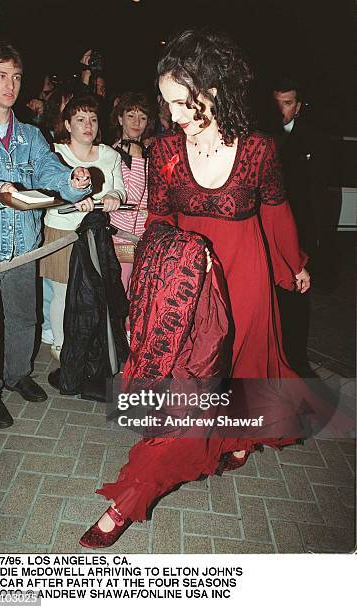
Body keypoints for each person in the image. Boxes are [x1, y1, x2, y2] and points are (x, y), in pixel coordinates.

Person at [79, 28, 310, 549]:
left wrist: (293, 265)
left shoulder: (258, 149)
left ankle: (238, 439)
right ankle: (129, 499)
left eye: (184, 102)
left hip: (246, 279)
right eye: (167, 102)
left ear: (216, 89)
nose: (174, 114)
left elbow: (275, 212)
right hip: (192, 287)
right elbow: (158, 220)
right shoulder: (163, 149)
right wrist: (165, 270)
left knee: (244, 372)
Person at [0, 42, 91, 429]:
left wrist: (74, 182)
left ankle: (16, 375)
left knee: (25, 318)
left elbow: (50, 171)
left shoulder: (31, 135)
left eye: (16, 77)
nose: (10, 85)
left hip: (25, 246)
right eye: (0, 75)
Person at [39, 94, 126, 362]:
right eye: (80, 119)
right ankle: (61, 345)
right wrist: (73, 199)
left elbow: (118, 188)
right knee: (63, 293)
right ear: (67, 124)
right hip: (62, 231)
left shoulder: (110, 154)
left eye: (93, 119)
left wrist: (114, 198)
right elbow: (47, 190)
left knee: (92, 291)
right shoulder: (55, 152)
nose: (88, 125)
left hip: (94, 234)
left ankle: (89, 343)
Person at [269, 76, 330, 376]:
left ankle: (296, 360)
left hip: (300, 231)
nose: (282, 109)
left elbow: (319, 192)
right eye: (277, 102)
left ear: (299, 106)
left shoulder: (313, 139)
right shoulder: (262, 136)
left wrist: (317, 238)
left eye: (288, 103)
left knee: (296, 297)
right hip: (269, 229)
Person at [109, 92, 155, 293]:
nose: (137, 122)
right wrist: (137, 158)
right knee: (121, 297)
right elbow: (133, 196)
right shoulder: (111, 155)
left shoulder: (148, 154)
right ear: (120, 118)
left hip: (144, 238)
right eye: (131, 115)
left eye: (142, 117)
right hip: (121, 240)